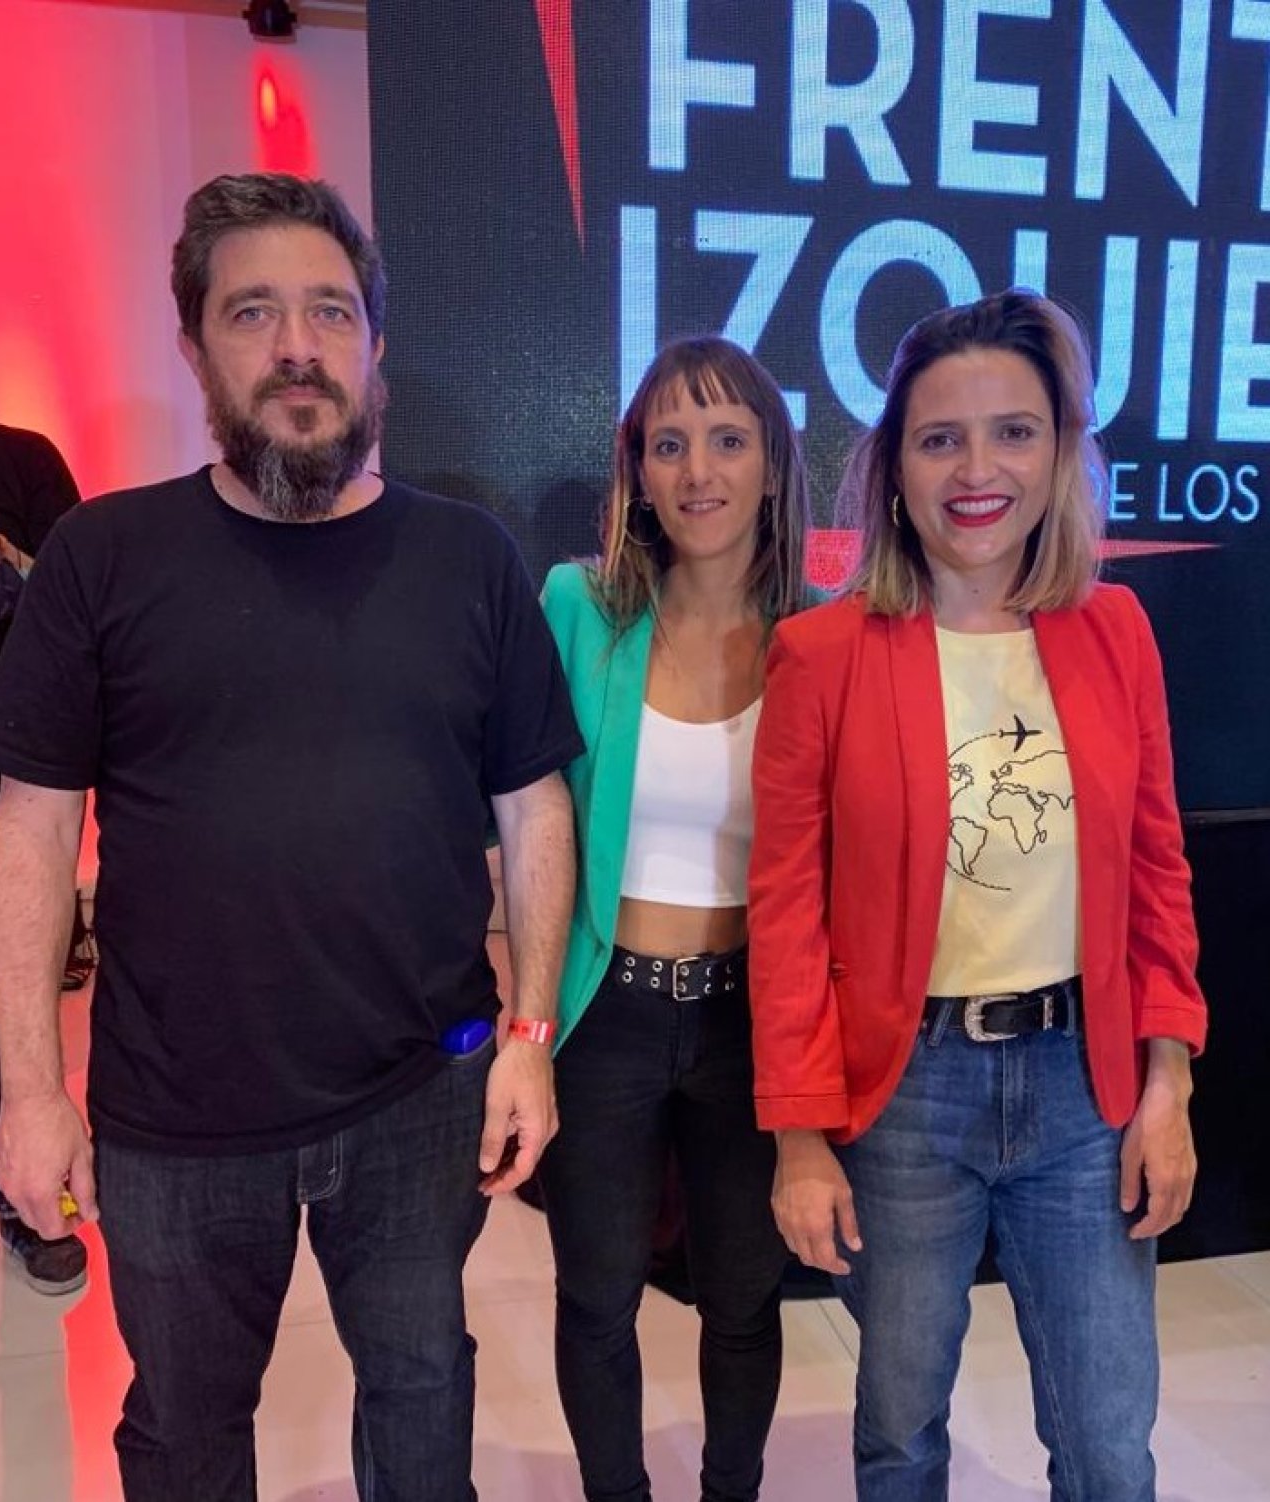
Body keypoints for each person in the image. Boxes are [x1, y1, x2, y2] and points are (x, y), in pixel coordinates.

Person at [0, 173, 582, 1502]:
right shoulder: (100, 555)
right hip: (173, 1112)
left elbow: (534, 802)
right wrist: (29, 1089)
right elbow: (31, 823)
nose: (297, 346)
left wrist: (531, 1034)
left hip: (422, 1088)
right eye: (253, 312)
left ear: (376, 346)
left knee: (422, 1392)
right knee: (185, 1428)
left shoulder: (470, 560)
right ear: (196, 346)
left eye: (329, 311)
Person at [748, 289, 1207, 1501]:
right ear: (892, 467)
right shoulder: (821, 654)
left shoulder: (1114, 630)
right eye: (938, 438)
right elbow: (785, 910)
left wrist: (1166, 1080)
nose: (975, 470)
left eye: (1012, 432)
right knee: (899, 1430)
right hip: (904, 1092)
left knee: (1106, 1447)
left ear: (1058, 452)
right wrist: (798, 1135)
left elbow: (1155, 871)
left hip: (1085, 1086)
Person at [539, 335, 819, 1502]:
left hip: (751, 1020)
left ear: (771, 465)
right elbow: (522, 820)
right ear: (637, 472)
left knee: (741, 1298)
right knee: (596, 1294)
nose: (697, 469)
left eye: (726, 438)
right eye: (669, 443)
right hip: (602, 1011)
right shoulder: (577, 608)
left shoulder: (822, 638)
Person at [0, 418, 91, 1296]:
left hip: (7, 773)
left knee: (5, 995)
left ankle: (24, 1196)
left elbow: (76, 616)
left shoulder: (22, 462)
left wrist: (4, 559)